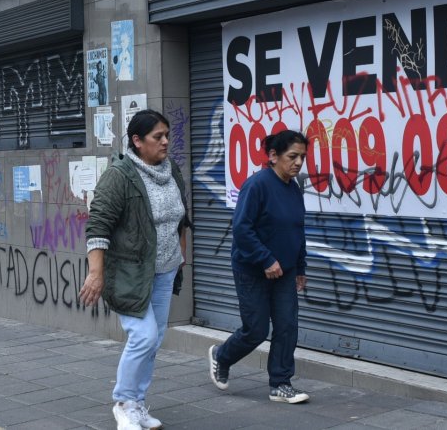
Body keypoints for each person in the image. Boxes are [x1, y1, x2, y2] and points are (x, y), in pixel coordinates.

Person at [80, 109, 191, 430]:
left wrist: (180, 255)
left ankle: (137, 404)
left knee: (153, 342)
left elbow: (180, 216)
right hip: (129, 273)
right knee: (143, 337)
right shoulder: (120, 176)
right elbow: (98, 224)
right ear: (137, 141)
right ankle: (124, 402)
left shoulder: (172, 172)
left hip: (165, 271)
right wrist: (96, 272)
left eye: (167, 135)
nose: (166, 142)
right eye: (158, 137)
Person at [208, 129, 310, 404]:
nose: (299, 162)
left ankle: (281, 383)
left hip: (285, 271)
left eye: (302, 156)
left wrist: (300, 267)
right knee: (255, 330)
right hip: (252, 270)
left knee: (287, 326)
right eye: (293, 156)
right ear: (273, 156)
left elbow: (297, 230)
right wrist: (266, 259)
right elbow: (242, 229)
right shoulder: (257, 185)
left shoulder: (294, 188)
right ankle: (221, 355)